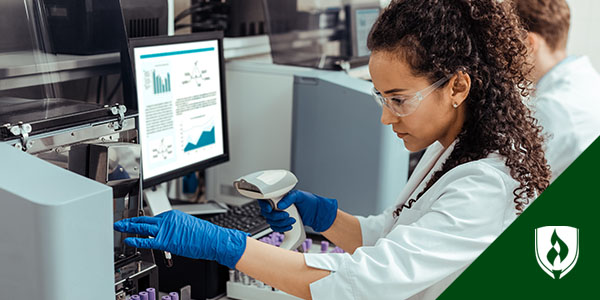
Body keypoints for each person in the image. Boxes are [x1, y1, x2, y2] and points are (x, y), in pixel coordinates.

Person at [114, 1, 551, 299]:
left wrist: (226, 244)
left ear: (457, 86)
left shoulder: (486, 186)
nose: (386, 118)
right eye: (382, 99)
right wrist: (325, 217)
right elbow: (397, 235)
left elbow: (364, 284)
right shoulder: (458, 146)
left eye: (398, 100)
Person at [515, 0, 600, 181]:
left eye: (508, 43)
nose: (503, 54)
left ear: (530, 43)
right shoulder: (588, 83)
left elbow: (512, 180)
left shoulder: (553, 109)